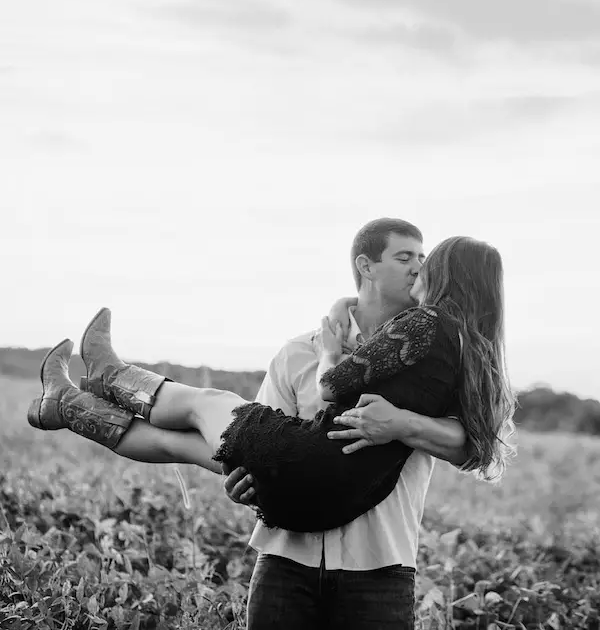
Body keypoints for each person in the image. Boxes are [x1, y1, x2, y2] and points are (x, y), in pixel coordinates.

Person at [27, 220, 515, 627]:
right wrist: (239, 484)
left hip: (379, 562)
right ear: (365, 267)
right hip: (287, 555)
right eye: (407, 257)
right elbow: (250, 445)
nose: (418, 267)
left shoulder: (429, 342)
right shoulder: (298, 352)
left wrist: (402, 423)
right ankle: (69, 404)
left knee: (206, 405)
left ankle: (100, 380)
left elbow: (476, 445)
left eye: (424, 259)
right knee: (197, 440)